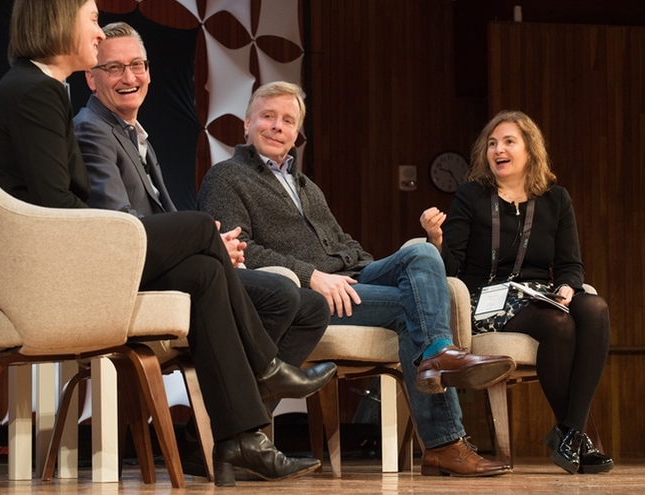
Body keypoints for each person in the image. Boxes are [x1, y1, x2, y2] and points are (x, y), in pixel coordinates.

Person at [0, 0, 336, 486]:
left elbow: (57, 202)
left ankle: (240, 438)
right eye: (92, 20)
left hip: (59, 253)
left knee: (207, 269)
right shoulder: (37, 92)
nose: (97, 34)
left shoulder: (40, 89)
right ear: (57, 22)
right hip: (46, 272)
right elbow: (56, 209)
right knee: (203, 232)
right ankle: (266, 367)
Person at [197, 81, 517, 477]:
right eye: (268, 117)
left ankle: (438, 352)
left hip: (348, 279)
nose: (277, 127)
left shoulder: (305, 185)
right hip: (303, 296)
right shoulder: (226, 177)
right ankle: (444, 441)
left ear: (298, 134)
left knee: (421, 251)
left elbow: (341, 241)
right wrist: (311, 276)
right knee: (412, 311)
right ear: (247, 123)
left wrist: (363, 267)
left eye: (288, 121)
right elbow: (237, 248)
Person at [73, 21, 330, 393]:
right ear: (91, 78)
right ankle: (238, 412)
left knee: (312, 309)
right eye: (114, 68)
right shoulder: (93, 130)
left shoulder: (132, 133)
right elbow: (121, 227)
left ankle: (243, 423)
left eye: (138, 65)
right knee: (281, 295)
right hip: (135, 276)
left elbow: (165, 219)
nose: (129, 77)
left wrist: (215, 244)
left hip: (169, 265)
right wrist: (202, 244)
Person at [420, 109, 613, 475]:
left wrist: (568, 289)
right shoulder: (470, 196)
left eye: (509, 142)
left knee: (595, 309)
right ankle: (573, 433)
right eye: (492, 143)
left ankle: (569, 433)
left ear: (529, 151)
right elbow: (449, 269)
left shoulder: (557, 200)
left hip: (540, 293)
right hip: (485, 298)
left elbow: (571, 264)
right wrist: (436, 238)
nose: (498, 150)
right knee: (560, 326)